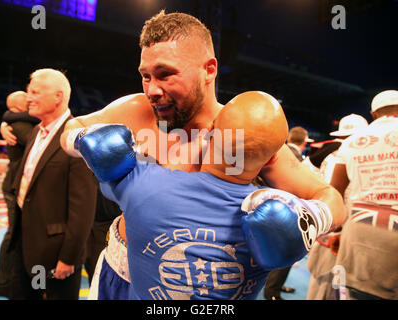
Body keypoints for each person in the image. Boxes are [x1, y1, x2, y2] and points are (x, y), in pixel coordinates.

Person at [59, 11, 346, 299]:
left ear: (209, 70)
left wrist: (309, 219)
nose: (152, 90)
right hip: (118, 270)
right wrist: (82, 139)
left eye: (165, 74)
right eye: (145, 76)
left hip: (200, 283)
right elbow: (71, 127)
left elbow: (330, 198)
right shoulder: (139, 111)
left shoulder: (243, 135)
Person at [75, 91, 344, 300]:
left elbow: (96, 147)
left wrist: (82, 138)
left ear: (211, 129)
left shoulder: (143, 183)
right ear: (273, 157)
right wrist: (310, 219)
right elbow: (334, 204)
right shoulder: (275, 220)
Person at [7, 68, 97, 300]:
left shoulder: (77, 137)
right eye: (29, 91)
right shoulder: (36, 130)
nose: (28, 97)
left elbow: (83, 208)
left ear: (58, 96)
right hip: (24, 244)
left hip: (55, 255)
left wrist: (69, 257)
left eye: (35, 92)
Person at [330, 90, 398, 300]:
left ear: (373, 114)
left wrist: (337, 231)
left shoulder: (353, 141)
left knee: (351, 293)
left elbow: (335, 190)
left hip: (358, 230)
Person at [306, 113, 368, 300]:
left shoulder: (329, 154)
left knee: (326, 284)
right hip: (337, 229)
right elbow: (339, 194)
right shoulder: (345, 155)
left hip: (326, 224)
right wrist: (337, 230)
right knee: (329, 285)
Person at [0, 91, 40, 298]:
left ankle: (11, 279)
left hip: (17, 182)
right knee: (14, 232)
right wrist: (6, 121)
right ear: (17, 105)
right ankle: (6, 281)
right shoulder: (20, 125)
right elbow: (36, 136)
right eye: (27, 98)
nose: (31, 100)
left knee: (18, 231)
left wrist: (4, 122)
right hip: (15, 184)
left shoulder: (14, 121)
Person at [263, 125, 313, 300]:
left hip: (272, 207)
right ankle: (272, 292)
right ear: (304, 141)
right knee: (285, 252)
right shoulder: (296, 158)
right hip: (286, 211)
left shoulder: (279, 152)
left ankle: (273, 288)